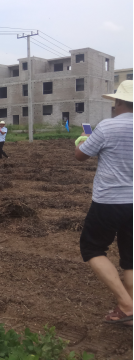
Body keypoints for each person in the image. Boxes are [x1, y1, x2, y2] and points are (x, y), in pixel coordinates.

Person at [75, 80, 133, 326]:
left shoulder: (107, 127)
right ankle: (129, 311)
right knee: (131, 258)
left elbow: (81, 156)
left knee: (92, 248)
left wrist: (81, 141)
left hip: (109, 201)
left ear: (119, 102)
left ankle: (127, 305)